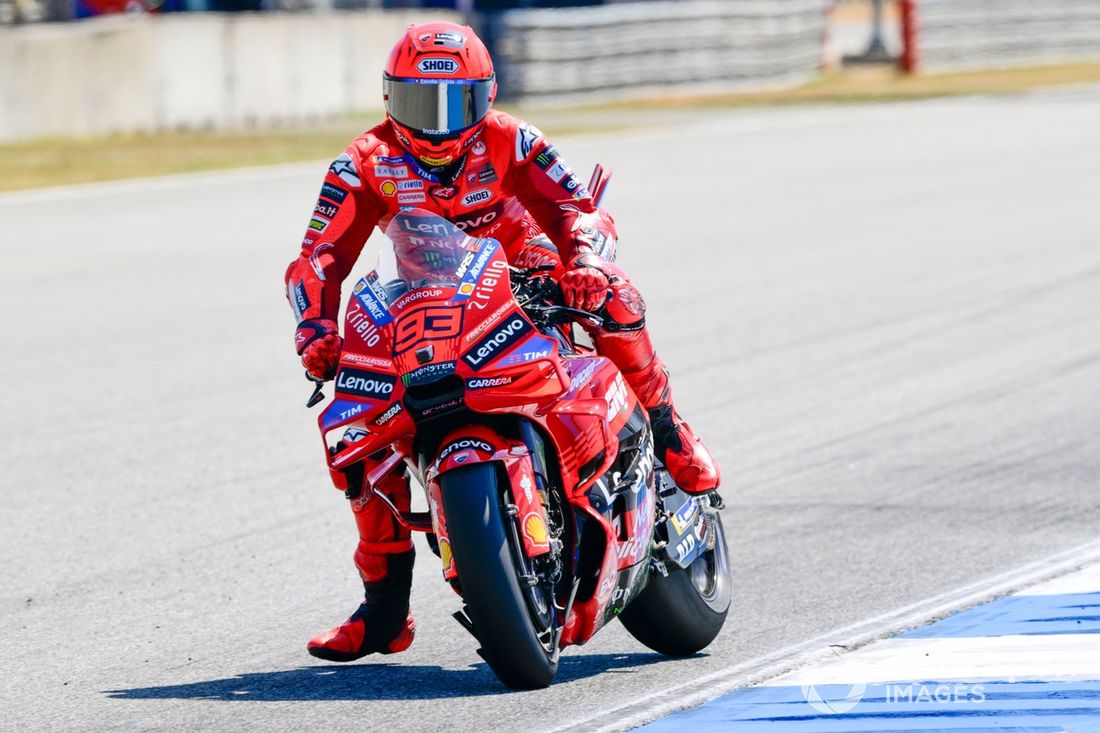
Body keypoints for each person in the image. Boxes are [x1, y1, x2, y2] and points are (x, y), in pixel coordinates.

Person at [284, 21, 721, 662]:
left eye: (452, 106)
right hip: (426, 299)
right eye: (416, 105)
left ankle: (669, 428)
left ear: (484, 98)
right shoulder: (363, 162)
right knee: (349, 430)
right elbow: (318, 257)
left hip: (523, 271)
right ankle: (385, 611)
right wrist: (316, 328)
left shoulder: (514, 138)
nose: (434, 127)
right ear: (388, 101)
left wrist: (584, 262)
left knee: (616, 296)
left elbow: (576, 207)